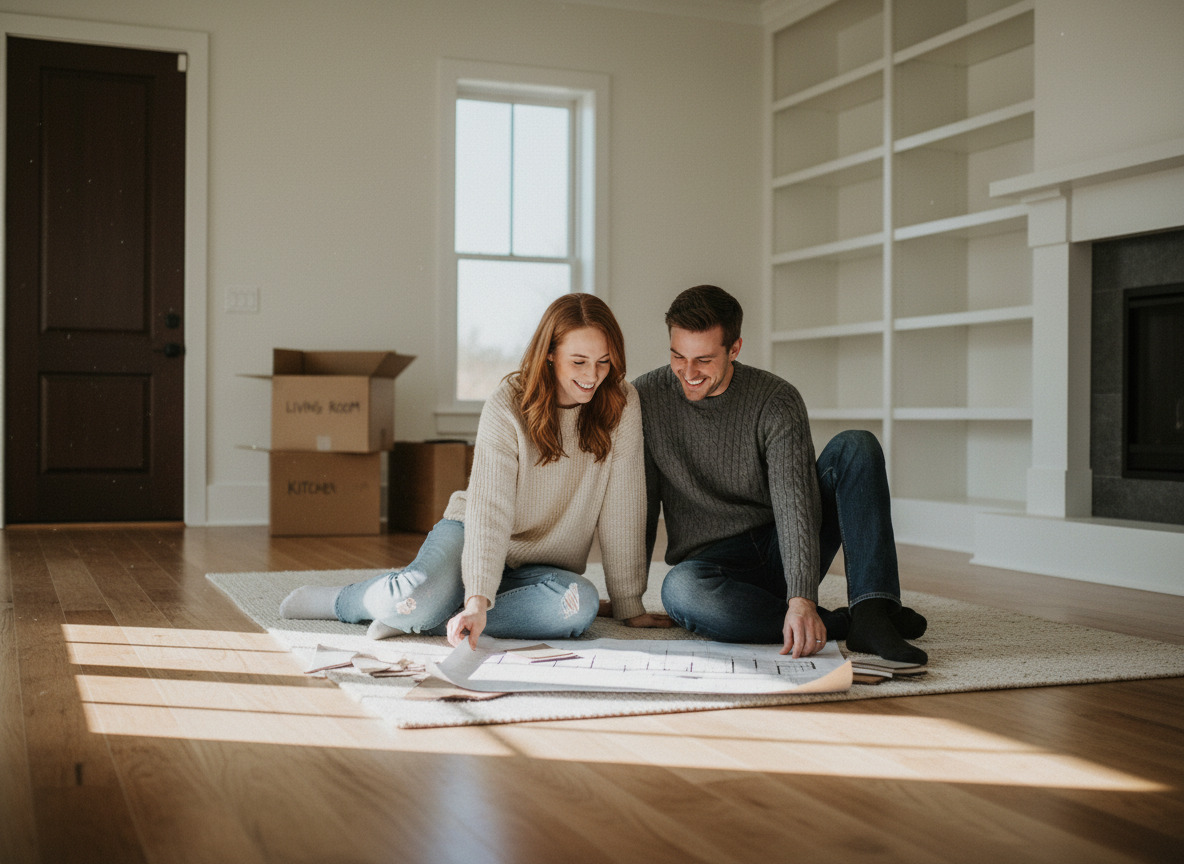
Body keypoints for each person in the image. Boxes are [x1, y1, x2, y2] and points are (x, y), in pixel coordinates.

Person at [281, 293, 671, 647]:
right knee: (411, 597)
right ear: (550, 354)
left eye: (604, 362)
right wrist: (478, 596)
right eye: (579, 361)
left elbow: (624, 506)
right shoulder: (508, 404)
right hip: (474, 532)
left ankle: (423, 620)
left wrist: (628, 603)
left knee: (579, 605)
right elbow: (490, 509)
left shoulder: (621, 402)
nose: (593, 375)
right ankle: (348, 600)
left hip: (543, 565)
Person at [633, 285, 927, 664]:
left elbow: (795, 504)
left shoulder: (775, 399)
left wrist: (802, 596)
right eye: (678, 355)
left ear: (734, 349)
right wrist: (629, 597)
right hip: (711, 565)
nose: (687, 372)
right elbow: (639, 502)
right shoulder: (646, 397)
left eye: (703, 359)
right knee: (680, 593)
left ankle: (872, 610)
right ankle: (838, 624)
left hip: (779, 546)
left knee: (857, 446)